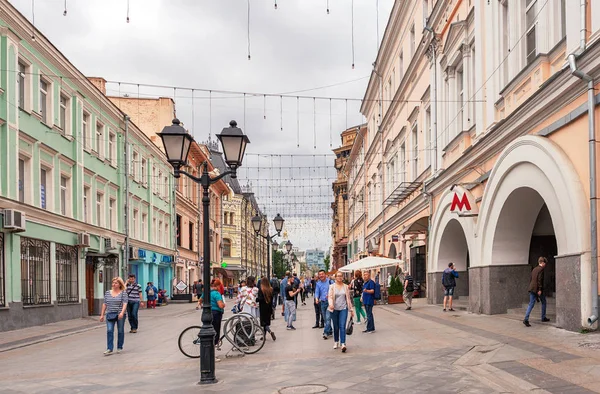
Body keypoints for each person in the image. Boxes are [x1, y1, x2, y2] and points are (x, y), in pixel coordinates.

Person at [100, 277, 128, 355]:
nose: (113, 284)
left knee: (120, 330)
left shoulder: (123, 293)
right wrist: (102, 314)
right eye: (113, 283)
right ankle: (109, 348)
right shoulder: (107, 293)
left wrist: (122, 313)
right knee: (109, 330)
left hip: (120, 314)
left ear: (120, 284)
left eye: (116, 283)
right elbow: (105, 304)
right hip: (110, 314)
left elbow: (125, 303)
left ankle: (119, 347)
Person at [328, 272, 355, 352]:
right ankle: (336, 341)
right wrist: (331, 304)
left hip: (343, 308)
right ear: (335, 277)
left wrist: (351, 310)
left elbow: (348, 299)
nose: (340, 277)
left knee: (342, 326)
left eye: (341, 276)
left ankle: (343, 343)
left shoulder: (346, 287)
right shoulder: (332, 287)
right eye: (338, 276)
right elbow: (329, 296)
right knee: (336, 327)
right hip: (334, 309)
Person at [523, 257, 550, 327]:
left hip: (532, 288)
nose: (545, 265)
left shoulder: (534, 269)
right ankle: (543, 317)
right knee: (543, 301)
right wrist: (540, 289)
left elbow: (531, 279)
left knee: (531, 304)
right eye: (545, 263)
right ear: (542, 263)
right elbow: (539, 280)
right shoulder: (541, 270)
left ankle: (526, 319)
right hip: (537, 289)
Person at [199, 279, 225, 346]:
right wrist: (223, 304)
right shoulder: (217, 294)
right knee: (216, 329)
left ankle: (209, 341)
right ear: (218, 286)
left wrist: (201, 305)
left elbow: (200, 300)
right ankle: (214, 343)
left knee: (208, 327)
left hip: (207, 313)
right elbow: (220, 305)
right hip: (216, 313)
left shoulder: (206, 292)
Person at [315, 269, 333, 339]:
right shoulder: (318, 283)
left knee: (328, 318)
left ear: (325, 274)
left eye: (322, 274)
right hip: (322, 303)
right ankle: (330, 330)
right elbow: (317, 292)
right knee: (325, 319)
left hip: (329, 302)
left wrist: (330, 295)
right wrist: (316, 298)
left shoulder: (330, 281)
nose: (321, 275)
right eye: (320, 274)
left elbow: (334, 289)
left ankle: (325, 332)